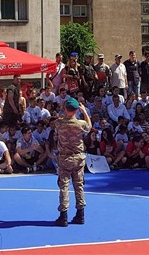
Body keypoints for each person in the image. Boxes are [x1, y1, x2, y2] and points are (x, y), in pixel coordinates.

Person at [54, 97, 91, 227]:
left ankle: (63, 215)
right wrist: (84, 111)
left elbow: (58, 122)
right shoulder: (80, 124)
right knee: (79, 185)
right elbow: (89, 127)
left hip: (65, 158)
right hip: (78, 158)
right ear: (76, 110)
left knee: (64, 186)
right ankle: (80, 214)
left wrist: (63, 110)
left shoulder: (59, 123)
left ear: (65, 108)